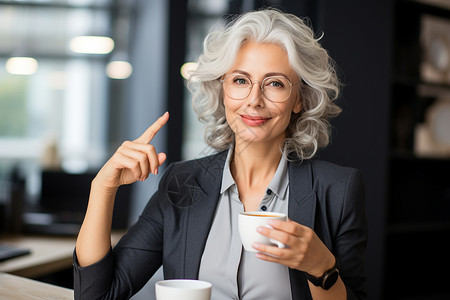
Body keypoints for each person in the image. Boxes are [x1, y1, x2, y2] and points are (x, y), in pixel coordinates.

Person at [73, 8, 367, 300]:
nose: (254, 100)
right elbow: (96, 295)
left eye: (275, 83)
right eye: (240, 80)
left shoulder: (338, 190)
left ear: (299, 99)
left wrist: (321, 268)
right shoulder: (181, 183)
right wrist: (103, 187)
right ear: (222, 89)